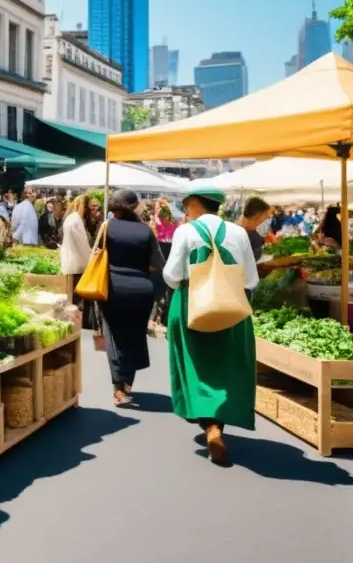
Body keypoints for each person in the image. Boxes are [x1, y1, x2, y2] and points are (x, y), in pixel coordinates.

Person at [164, 184, 259, 466]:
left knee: (194, 368)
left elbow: (172, 275)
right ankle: (218, 424)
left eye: (185, 205)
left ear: (195, 203)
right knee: (227, 368)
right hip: (231, 307)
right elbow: (250, 279)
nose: (184, 211)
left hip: (190, 305)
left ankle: (210, 426)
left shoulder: (185, 232)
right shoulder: (239, 232)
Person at [99, 190, 165, 407]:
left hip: (112, 288)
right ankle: (127, 383)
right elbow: (157, 264)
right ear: (133, 206)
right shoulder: (145, 231)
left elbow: (97, 255)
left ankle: (118, 387)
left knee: (114, 335)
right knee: (135, 336)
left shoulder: (107, 227)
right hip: (140, 290)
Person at [60, 194, 101, 330]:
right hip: (77, 265)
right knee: (76, 301)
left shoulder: (71, 219)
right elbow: (82, 245)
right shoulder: (76, 221)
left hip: (70, 263)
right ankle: (78, 326)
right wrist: (91, 257)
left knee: (72, 299)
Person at [238, 196, 271, 261]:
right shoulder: (239, 234)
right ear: (256, 214)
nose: (267, 216)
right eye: (265, 214)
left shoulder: (251, 230)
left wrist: (263, 240)